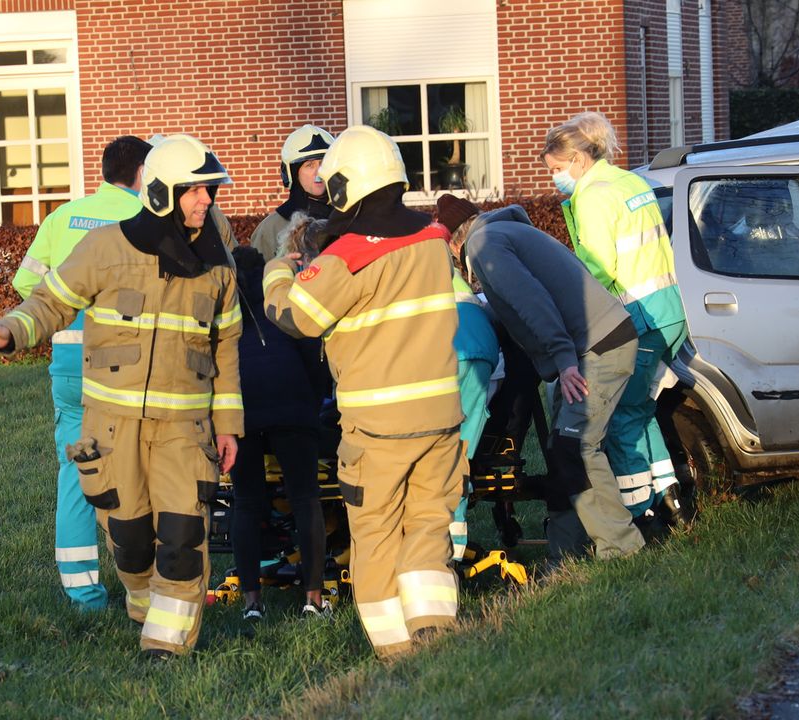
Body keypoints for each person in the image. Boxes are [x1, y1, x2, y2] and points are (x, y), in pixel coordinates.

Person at [0, 134, 243, 659]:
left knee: (183, 536)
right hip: (113, 428)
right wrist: (6, 331)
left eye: (210, 190)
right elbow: (50, 303)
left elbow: (226, 345)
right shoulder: (106, 248)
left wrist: (228, 424)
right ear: (160, 192)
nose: (208, 199)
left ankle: (166, 646)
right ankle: (144, 601)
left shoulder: (217, 260)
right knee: (130, 539)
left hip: (184, 431)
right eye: (196, 190)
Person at [261, 125, 464, 659]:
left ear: (347, 186)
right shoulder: (433, 238)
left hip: (377, 426)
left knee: (374, 532)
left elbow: (295, 317)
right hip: (440, 415)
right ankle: (435, 636)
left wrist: (280, 272)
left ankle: (394, 651)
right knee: (428, 525)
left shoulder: (348, 254)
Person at [441, 200, 644, 562]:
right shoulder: (507, 231)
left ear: (454, 243)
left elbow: (532, 302)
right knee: (560, 450)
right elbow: (513, 308)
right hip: (597, 340)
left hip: (593, 349)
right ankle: (566, 554)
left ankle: (622, 548)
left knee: (576, 446)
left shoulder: (483, 245)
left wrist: (564, 360)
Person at [10, 135, 153, 612]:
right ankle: (146, 584)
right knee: (139, 469)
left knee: (75, 471)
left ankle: (83, 594)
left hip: (69, 364)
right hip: (125, 367)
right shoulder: (143, 217)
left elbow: (27, 283)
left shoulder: (62, 216)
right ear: (140, 174)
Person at [542, 112, 691, 526]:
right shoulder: (630, 181)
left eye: (556, 170)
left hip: (637, 316)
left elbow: (596, 270)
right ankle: (672, 501)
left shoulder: (593, 196)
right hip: (670, 311)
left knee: (623, 416)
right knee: (641, 410)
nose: (555, 179)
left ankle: (638, 514)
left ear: (577, 159)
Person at [228, 244, 331, 623]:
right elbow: (313, 353)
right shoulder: (283, 303)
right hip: (293, 409)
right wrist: (313, 401)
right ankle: (313, 597)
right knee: (305, 499)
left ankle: (251, 602)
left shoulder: (225, 314)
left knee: (246, 502)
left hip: (242, 414)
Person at [435, 194, 502, 561]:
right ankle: (455, 550)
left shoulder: (412, 266)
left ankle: (446, 553)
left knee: (442, 453)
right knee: (461, 451)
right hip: (483, 348)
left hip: (449, 348)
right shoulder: (451, 271)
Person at [250, 124, 335, 261]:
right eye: (309, 165)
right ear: (293, 174)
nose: (319, 172)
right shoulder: (271, 229)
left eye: (323, 163)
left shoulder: (348, 218)